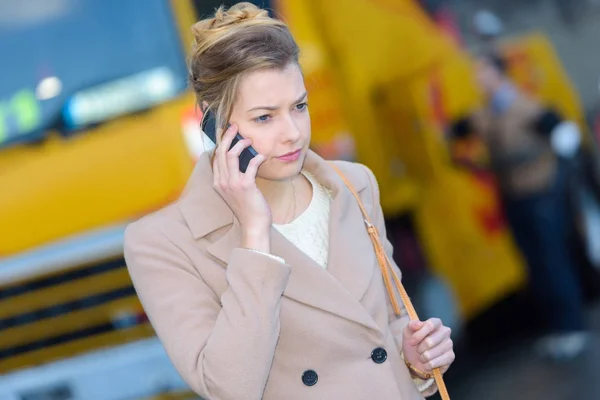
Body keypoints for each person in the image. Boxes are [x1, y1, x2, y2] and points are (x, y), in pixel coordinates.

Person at [124, 3, 454, 399]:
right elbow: (229, 387)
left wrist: (415, 357)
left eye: (299, 107)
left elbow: (386, 325)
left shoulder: (354, 184)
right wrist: (255, 236)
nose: (292, 133)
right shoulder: (160, 243)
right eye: (265, 117)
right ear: (216, 126)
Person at [452, 53, 588, 360]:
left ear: (498, 74)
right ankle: (558, 327)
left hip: (540, 193)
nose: (478, 78)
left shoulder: (526, 107)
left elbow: (565, 136)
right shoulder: (484, 113)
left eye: (483, 71)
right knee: (535, 264)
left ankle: (573, 326)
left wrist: (559, 178)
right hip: (513, 197)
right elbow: (457, 130)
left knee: (553, 260)